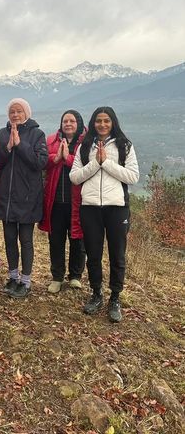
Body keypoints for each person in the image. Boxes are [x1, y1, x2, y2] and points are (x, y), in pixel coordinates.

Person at [70, 107, 139, 323]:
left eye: (106, 121)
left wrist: (107, 163)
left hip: (117, 207)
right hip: (90, 207)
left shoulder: (124, 145)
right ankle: (97, 293)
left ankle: (115, 298)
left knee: (117, 255)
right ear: (93, 123)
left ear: (113, 122)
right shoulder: (84, 146)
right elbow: (74, 177)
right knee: (93, 254)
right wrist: (95, 163)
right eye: (98, 121)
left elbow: (133, 176)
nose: (102, 124)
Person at [0, 99, 48, 298]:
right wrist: (7, 147)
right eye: (12, 111)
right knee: (9, 239)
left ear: (27, 113)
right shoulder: (2, 133)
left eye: (19, 111)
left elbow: (40, 162)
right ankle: (12, 277)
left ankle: (25, 281)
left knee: (25, 239)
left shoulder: (37, 134)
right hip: (6, 195)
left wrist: (20, 145)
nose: (15, 115)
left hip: (27, 196)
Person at [39, 110, 86, 293]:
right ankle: (57, 277)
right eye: (65, 121)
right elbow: (43, 162)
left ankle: (75, 276)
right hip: (56, 200)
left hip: (79, 200)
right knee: (56, 240)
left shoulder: (86, 142)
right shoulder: (52, 140)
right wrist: (55, 158)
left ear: (78, 123)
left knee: (78, 239)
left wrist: (68, 159)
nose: (68, 124)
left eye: (72, 121)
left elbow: (88, 166)